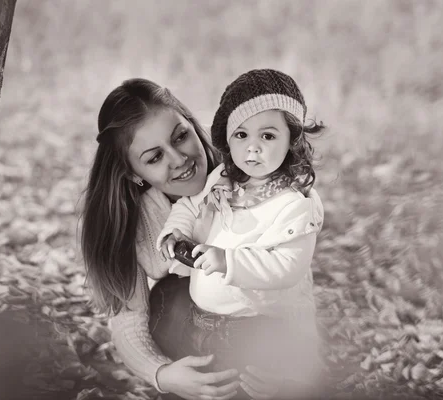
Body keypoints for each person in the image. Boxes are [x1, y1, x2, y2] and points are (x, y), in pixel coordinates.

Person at [81, 78, 319, 400]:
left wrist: (296, 370)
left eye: (181, 136)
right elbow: (128, 318)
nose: (178, 159)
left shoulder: (249, 176)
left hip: (260, 324)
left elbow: (296, 294)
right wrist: (163, 374)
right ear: (134, 174)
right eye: (154, 158)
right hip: (193, 332)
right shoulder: (134, 222)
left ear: (194, 125)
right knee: (171, 296)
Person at [157, 69, 326, 399]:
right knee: (208, 388)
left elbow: (287, 267)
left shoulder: (293, 204)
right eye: (241, 135)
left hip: (255, 329)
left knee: (248, 390)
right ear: (227, 140)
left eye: (267, 136)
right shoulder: (223, 178)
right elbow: (190, 206)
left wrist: (228, 261)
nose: (253, 149)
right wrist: (174, 232)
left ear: (291, 138)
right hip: (202, 322)